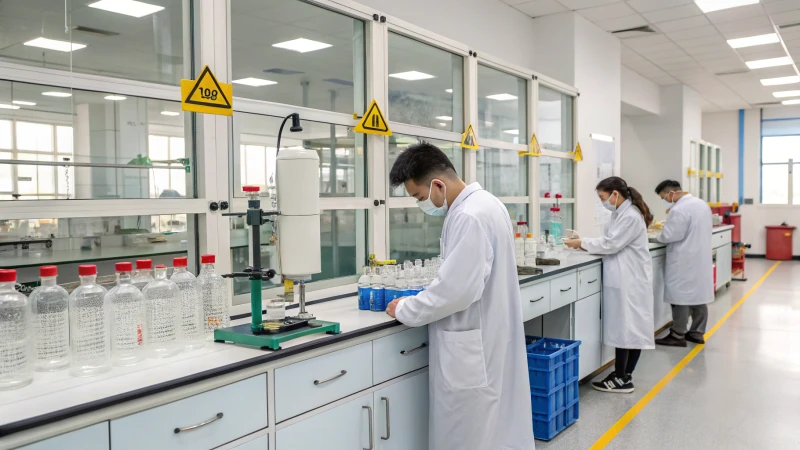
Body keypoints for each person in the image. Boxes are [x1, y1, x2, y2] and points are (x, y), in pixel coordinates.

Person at [384, 142, 534, 450]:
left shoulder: (469, 215)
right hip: (487, 338)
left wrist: (406, 308)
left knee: (469, 433)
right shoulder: (488, 203)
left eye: (419, 196)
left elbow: (455, 292)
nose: (420, 204)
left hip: (472, 349)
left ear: (438, 185)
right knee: (495, 428)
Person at [564, 176, 655, 393]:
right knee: (626, 329)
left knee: (627, 330)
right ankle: (622, 374)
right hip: (625, 279)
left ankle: (623, 378)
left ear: (615, 194)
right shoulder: (620, 214)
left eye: (603, 197)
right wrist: (583, 241)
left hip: (630, 281)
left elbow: (611, 244)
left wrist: (581, 243)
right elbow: (610, 239)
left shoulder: (630, 216)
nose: (603, 202)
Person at [653, 180, 713, 347]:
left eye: (664, 197)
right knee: (699, 296)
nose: (665, 200)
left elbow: (669, 236)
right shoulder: (701, 204)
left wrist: (656, 236)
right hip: (699, 257)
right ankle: (697, 333)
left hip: (684, 259)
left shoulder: (679, 209)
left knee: (679, 297)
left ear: (672, 193)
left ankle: (677, 334)